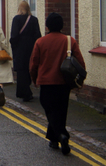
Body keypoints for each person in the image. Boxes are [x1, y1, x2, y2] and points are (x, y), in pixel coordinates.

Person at [29, 12, 85, 156]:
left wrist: (34, 79)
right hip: (63, 82)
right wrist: (79, 80)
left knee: (50, 110)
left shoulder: (40, 42)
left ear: (47, 25)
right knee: (60, 111)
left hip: (46, 82)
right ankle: (54, 139)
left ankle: (61, 135)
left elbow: (33, 64)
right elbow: (80, 63)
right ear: (62, 25)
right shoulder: (69, 41)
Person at [10, 1, 42, 102]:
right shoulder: (34, 20)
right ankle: (28, 88)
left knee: (21, 70)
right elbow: (38, 36)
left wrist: (14, 46)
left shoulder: (16, 19)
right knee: (30, 68)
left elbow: (14, 35)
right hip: (31, 47)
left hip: (20, 48)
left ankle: (24, 92)